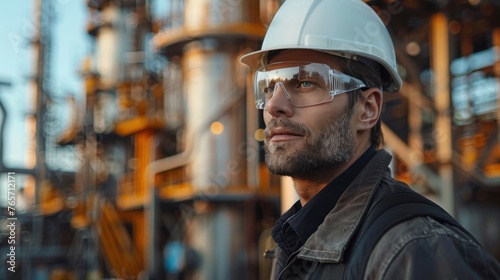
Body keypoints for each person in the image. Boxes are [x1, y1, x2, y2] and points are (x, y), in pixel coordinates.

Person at [240, 0, 500, 279]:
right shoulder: (292, 239)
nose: (273, 105)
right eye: (267, 86)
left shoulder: (414, 249)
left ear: (367, 109)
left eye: (305, 82)